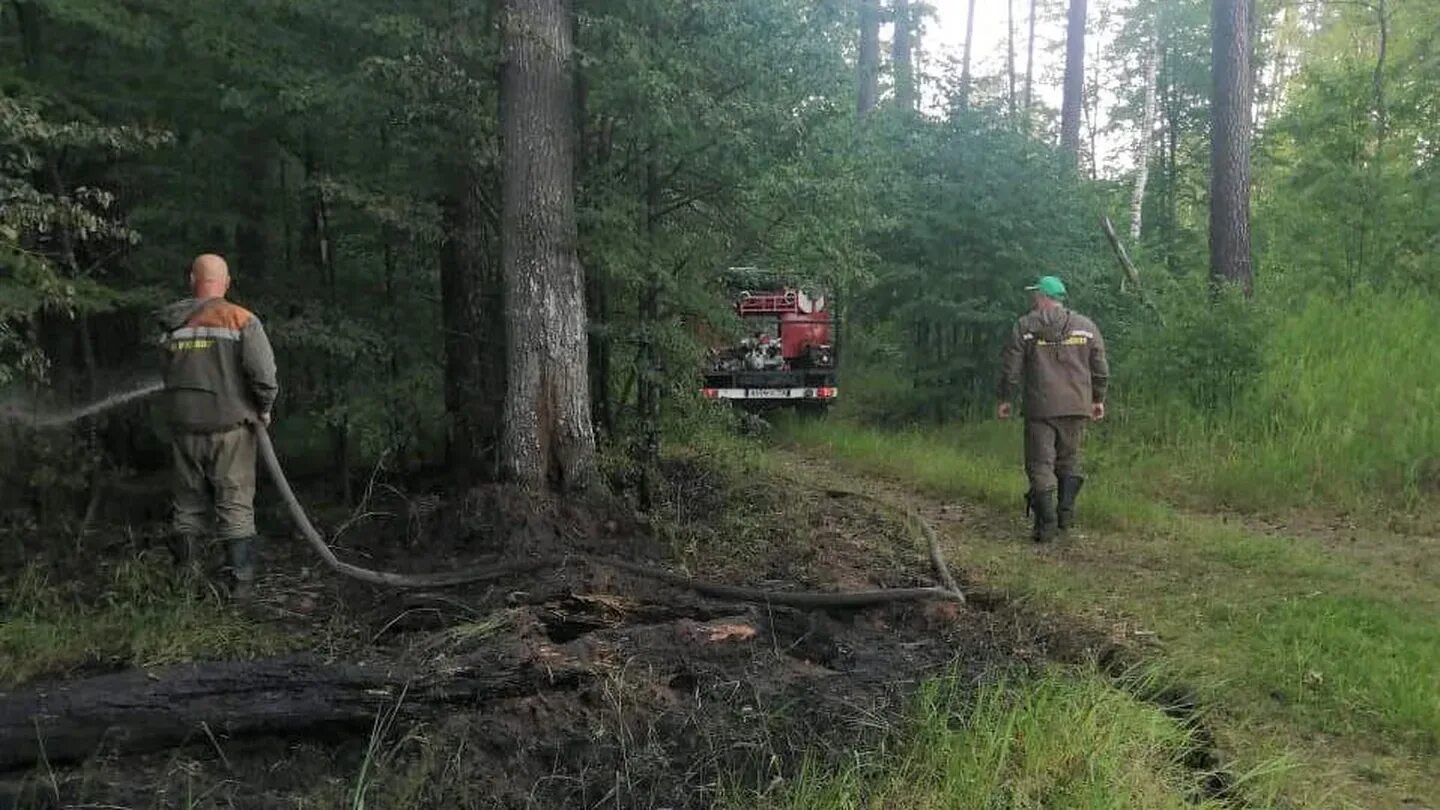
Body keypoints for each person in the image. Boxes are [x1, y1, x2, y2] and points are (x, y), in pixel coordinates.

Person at [157, 254, 278, 597]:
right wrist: (264, 409)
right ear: (226, 283)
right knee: (235, 507)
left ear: (191, 281)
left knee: (187, 510)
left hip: (183, 434)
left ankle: (184, 590)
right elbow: (264, 376)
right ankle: (240, 591)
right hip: (231, 433)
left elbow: (168, 376)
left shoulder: (172, 324)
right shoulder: (240, 319)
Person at [996, 275, 1108, 543]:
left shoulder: (1025, 326)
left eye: (1036, 295)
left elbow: (1011, 368)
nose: (1033, 299)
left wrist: (1005, 398)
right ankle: (1066, 518)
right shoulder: (1086, 327)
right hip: (1076, 405)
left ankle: (1045, 526)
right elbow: (1100, 367)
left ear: (1045, 297)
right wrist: (1097, 399)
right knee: (1068, 460)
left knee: (1040, 463)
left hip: (1040, 406)